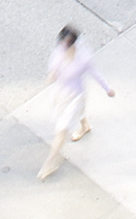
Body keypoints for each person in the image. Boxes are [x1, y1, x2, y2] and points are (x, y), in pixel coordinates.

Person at [34, 25, 113, 179]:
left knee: (62, 130)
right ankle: (85, 126)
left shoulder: (83, 57)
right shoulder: (58, 53)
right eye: (64, 43)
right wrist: (52, 75)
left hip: (75, 96)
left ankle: (50, 163)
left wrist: (107, 89)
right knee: (78, 113)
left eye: (68, 44)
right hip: (61, 94)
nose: (65, 47)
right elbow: (53, 73)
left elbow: (95, 73)